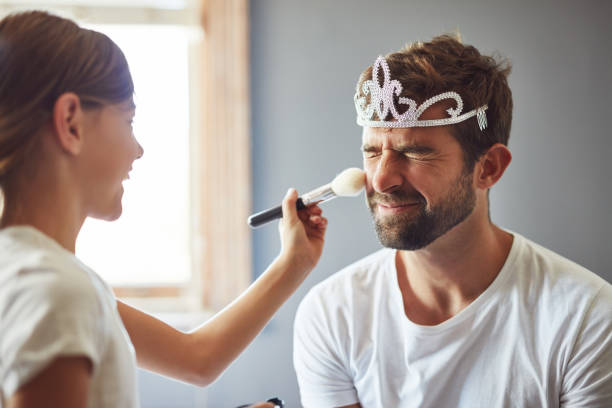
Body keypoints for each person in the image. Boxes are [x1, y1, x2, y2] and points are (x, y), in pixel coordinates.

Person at [0, 10, 328, 408]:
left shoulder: (30, 275)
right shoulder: (58, 291)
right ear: (71, 122)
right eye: (128, 120)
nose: (137, 150)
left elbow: (197, 359)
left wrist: (292, 263)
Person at [293, 34, 612, 407]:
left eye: (414, 152)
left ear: (488, 168)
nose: (380, 179)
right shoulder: (333, 313)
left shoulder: (587, 320)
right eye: (372, 151)